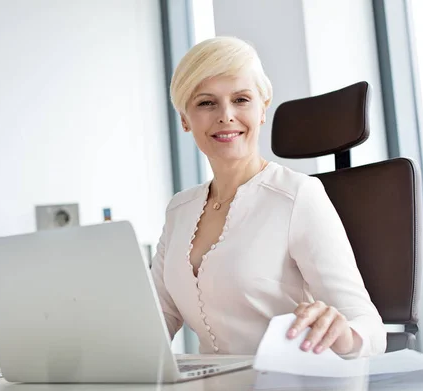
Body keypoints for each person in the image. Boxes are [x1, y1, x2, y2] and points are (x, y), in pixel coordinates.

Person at [151, 36, 386, 358]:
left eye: (242, 99)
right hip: (211, 389)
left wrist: (343, 334)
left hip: (289, 388)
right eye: (206, 102)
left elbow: (369, 327)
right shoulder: (179, 209)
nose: (226, 115)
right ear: (184, 119)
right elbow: (159, 316)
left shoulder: (298, 196)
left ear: (263, 109)